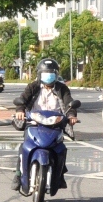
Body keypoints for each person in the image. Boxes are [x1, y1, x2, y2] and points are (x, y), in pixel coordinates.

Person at [11, 58, 78, 191]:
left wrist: (71, 116)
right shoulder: (33, 87)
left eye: (51, 73)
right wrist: (20, 111)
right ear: (39, 74)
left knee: (61, 149)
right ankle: (18, 175)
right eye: (45, 73)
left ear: (56, 74)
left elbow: (69, 102)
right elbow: (22, 100)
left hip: (55, 125)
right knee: (23, 147)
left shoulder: (62, 88)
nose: (49, 76)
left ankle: (60, 175)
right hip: (34, 123)